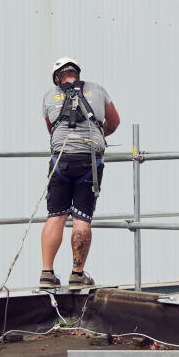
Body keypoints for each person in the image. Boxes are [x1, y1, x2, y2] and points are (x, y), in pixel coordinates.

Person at [39, 56, 119, 289]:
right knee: (81, 218)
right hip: (89, 162)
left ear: (57, 78)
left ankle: (47, 274)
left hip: (60, 160)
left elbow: (51, 130)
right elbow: (114, 122)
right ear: (78, 74)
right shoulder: (98, 90)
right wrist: (99, 135)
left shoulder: (48, 97)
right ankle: (77, 274)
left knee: (56, 216)